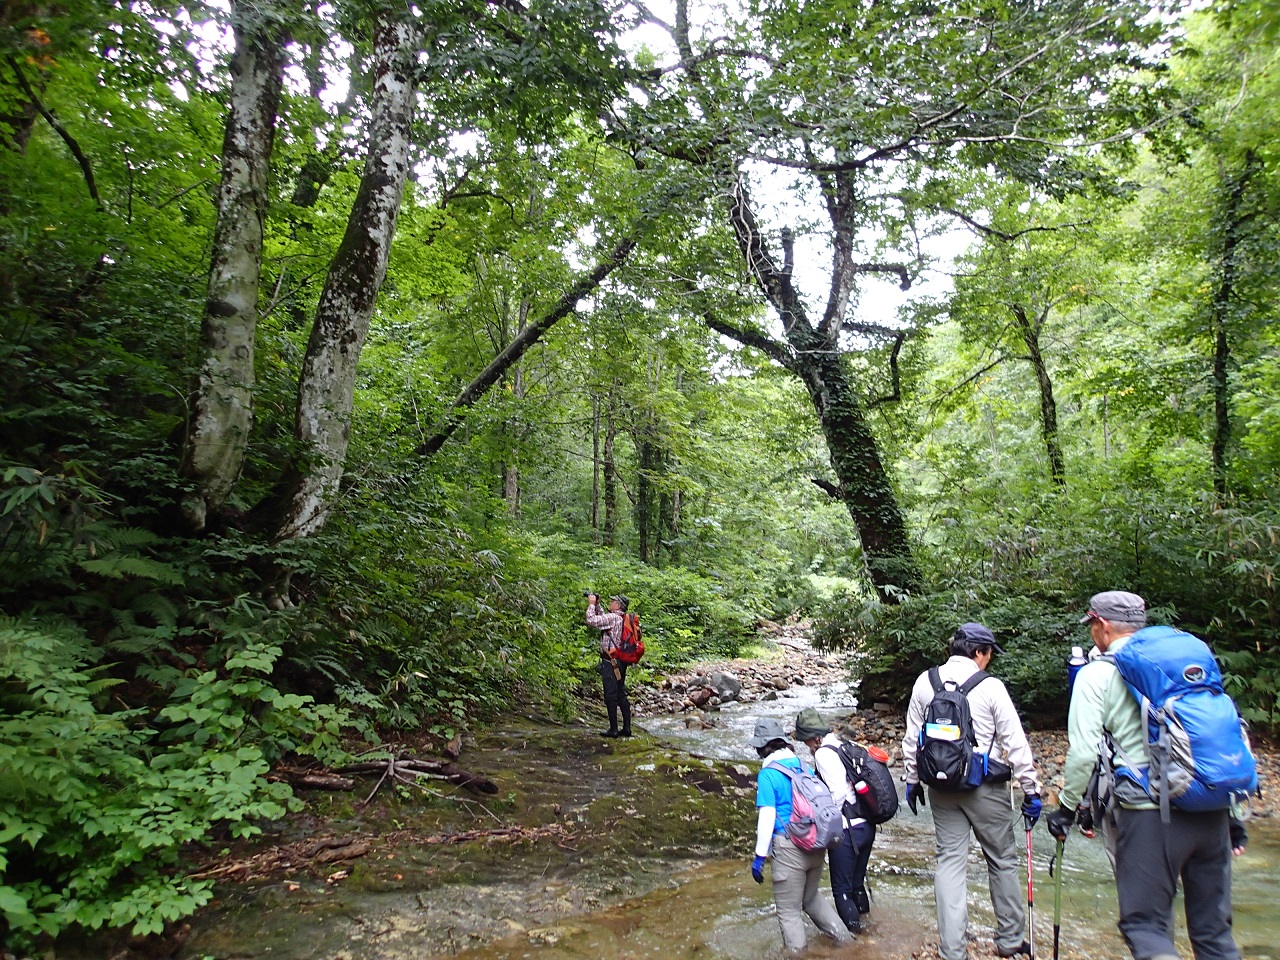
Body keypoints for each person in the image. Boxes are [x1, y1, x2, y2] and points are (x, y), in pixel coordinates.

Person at [1045, 591, 1247, 960]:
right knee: (1214, 934)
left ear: (1102, 625)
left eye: (1092, 624)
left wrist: (1066, 808)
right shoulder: (1178, 665)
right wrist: (1233, 815)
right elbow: (1213, 740)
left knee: (1146, 927)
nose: (1092, 631)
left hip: (1150, 815)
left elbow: (1084, 752)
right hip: (1212, 808)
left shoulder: (1097, 675)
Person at [902, 622, 1043, 960]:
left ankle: (952, 951)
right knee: (1002, 859)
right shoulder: (990, 687)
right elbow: (1015, 742)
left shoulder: (926, 681)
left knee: (949, 862)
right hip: (985, 788)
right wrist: (1031, 789)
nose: (989, 661)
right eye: (989, 654)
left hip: (940, 786)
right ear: (978, 652)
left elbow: (912, 737)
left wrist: (911, 780)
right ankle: (1009, 940)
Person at [749, 717, 852, 954]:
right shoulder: (801, 765)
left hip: (789, 848)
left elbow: (767, 817)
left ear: (762, 747)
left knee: (789, 911)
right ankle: (847, 945)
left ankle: (797, 955)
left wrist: (759, 857)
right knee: (812, 898)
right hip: (816, 843)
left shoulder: (768, 774)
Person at [794, 707, 875, 934]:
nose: (807, 746)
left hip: (849, 831)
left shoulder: (823, 754)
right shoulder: (841, 745)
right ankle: (868, 932)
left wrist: (827, 823)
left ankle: (853, 943)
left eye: (806, 741)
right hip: (866, 825)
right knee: (857, 884)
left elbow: (838, 793)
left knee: (841, 890)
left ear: (814, 737)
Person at [585, 593, 632, 738]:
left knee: (610, 695)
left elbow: (592, 620)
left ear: (618, 605)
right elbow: (603, 619)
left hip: (610, 662)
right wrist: (598, 605)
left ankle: (613, 729)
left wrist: (591, 604)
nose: (610, 603)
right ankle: (626, 728)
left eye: (613, 601)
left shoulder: (613, 618)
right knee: (620, 693)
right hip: (620, 661)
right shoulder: (621, 618)